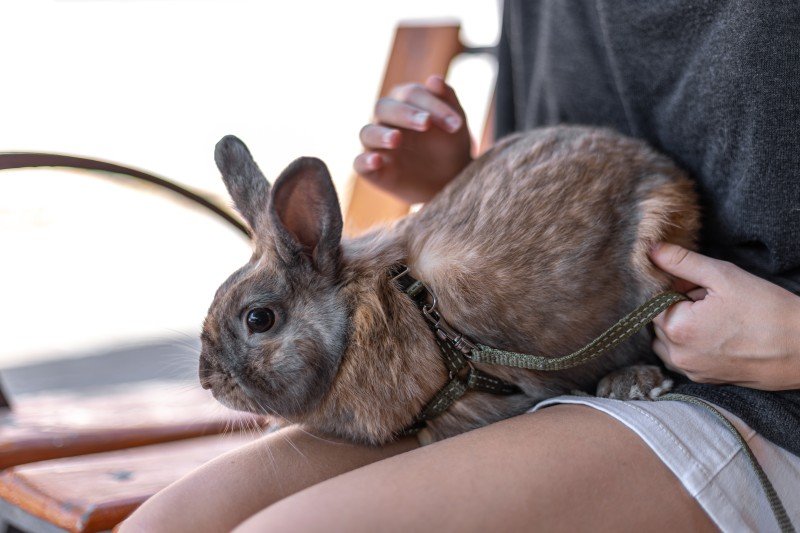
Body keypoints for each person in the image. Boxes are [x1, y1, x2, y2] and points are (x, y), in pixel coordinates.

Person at [123, 2, 800, 530]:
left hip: (760, 392)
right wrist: (456, 181)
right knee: (170, 522)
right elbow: (550, 161)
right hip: (518, 370)